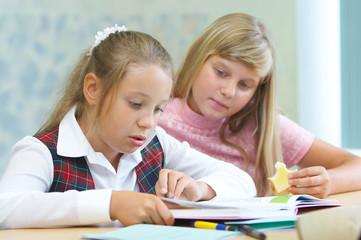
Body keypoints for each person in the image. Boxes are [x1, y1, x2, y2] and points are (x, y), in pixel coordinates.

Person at [0, 24, 256, 229]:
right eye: (136, 104)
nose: (149, 122)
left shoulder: (158, 143)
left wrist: (200, 189)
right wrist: (111, 203)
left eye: (158, 109)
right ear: (93, 89)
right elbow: (6, 208)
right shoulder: (41, 151)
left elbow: (242, 182)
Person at [159, 13, 361, 198]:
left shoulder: (263, 126)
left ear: (258, 90)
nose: (228, 91)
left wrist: (330, 181)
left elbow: (357, 167)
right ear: (198, 59)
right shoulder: (155, 116)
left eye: (245, 84)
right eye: (221, 72)